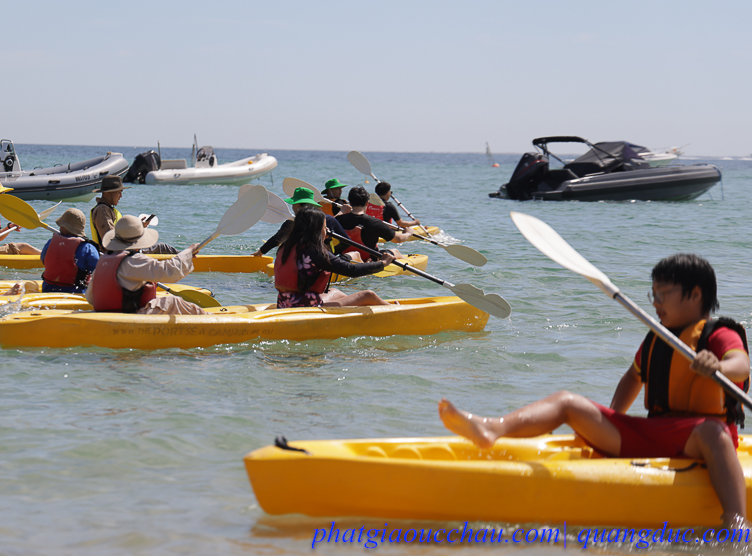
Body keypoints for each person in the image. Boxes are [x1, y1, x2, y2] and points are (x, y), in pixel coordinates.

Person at [439, 254, 750, 528]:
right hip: (656, 433)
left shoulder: (718, 333)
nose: (655, 302)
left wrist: (718, 366)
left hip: (702, 440)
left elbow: (741, 364)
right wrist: (613, 420)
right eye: (652, 293)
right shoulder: (658, 339)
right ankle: (493, 428)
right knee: (566, 402)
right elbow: (632, 378)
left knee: (713, 432)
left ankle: (735, 520)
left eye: (662, 294)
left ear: (695, 295)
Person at [274, 207, 396, 308]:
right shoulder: (314, 251)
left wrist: (323, 240)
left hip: (284, 303)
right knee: (368, 295)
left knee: (335, 292)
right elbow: (351, 270)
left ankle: (349, 314)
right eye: (324, 227)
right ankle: (395, 310)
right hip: (306, 307)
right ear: (316, 229)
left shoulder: (285, 247)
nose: (327, 230)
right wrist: (383, 263)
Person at [85, 215, 205, 315]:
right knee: (174, 302)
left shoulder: (103, 260)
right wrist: (188, 252)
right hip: (128, 318)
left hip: (105, 316)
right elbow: (171, 271)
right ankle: (210, 321)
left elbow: (90, 298)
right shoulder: (133, 260)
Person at [252, 187, 359, 261]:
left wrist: (260, 252)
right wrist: (333, 255)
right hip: (325, 260)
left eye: (293, 204)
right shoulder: (329, 219)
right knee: (355, 255)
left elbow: (277, 240)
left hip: (300, 263)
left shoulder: (292, 222)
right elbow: (346, 242)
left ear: (297, 206)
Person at [89, 175, 177, 254]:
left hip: (121, 251)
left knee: (162, 247)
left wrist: (139, 226)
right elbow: (110, 240)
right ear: (108, 193)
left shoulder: (107, 209)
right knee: (163, 248)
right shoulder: (102, 210)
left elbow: (119, 233)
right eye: (119, 192)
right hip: (118, 254)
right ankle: (185, 258)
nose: (121, 196)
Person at [335, 186, 414, 259]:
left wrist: (341, 211)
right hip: (370, 260)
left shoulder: (339, 219)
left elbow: (329, 224)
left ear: (350, 203)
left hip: (346, 258)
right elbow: (398, 239)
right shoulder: (375, 222)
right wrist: (408, 233)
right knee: (395, 252)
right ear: (367, 202)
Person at [39, 208, 100, 294]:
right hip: (76, 293)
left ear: (64, 228)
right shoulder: (88, 248)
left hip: (48, 290)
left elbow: (43, 260)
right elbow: (97, 272)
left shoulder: (50, 243)